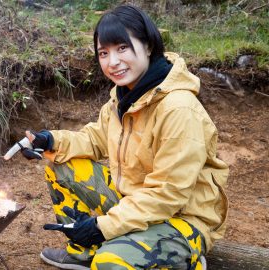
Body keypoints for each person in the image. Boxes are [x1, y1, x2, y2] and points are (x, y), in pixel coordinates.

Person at [17, 5, 229, 270]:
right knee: (63, 165)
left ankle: (185, 261)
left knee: (110, 263)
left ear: (149, 46)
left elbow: (167, 194)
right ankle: (85, 252)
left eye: (122, 48)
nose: (112, 62)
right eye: (103, 53)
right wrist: (50, 141)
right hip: (135, 202)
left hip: (181, 219)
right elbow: (96, 139)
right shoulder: (124, 96)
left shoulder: (178, 108)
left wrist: (101, 227)